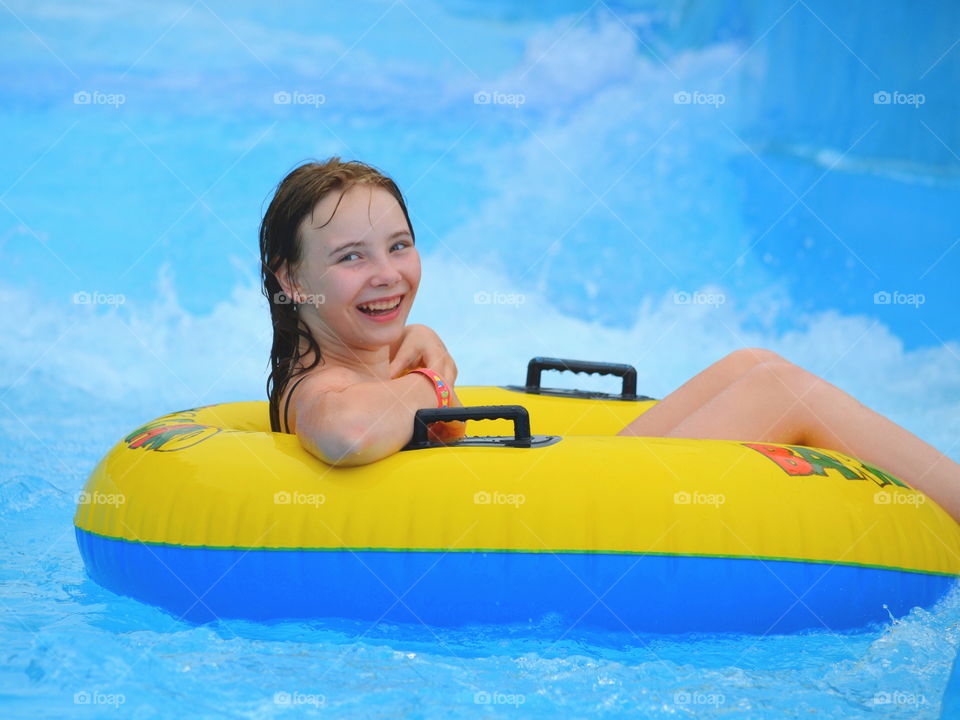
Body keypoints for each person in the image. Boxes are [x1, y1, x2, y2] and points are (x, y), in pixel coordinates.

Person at [260, 158, 960, 524]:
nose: (387, 275)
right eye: (351, 258)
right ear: (291, 280)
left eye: (400, 246)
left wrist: (419, 352)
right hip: (562, 521)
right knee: (780, 392)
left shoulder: (367, 353)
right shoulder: (319, 385)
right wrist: (432, 378)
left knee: (754, 365)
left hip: (563, 493)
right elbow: (346, 433)